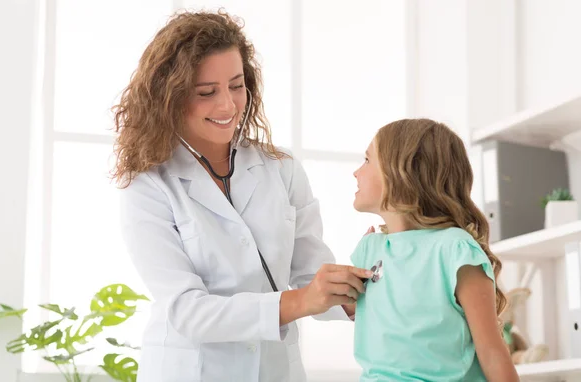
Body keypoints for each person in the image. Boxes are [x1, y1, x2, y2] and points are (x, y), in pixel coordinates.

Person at [111, 9, 371, 382]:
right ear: (169, 97)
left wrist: (357, 290)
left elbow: (309, 273)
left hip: (275, 370)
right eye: (206, 92)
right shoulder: (149, 185)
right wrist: (299, 301)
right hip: (192, 371)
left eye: (236, 85)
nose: (228, 106)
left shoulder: (281, 168)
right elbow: (187, 310)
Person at [350, 119, 519, 381]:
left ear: (402, 172)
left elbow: (492, 352)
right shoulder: (369, 250)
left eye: (367, 160)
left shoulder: (455, 249)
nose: (356, 172)